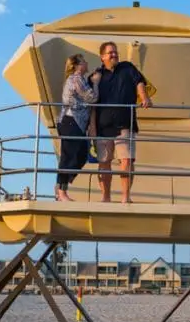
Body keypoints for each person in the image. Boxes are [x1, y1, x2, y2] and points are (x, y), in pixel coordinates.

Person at [88, 41, 151, 203]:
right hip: (103, 126)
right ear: (102, 57)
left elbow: (139, 82)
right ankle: (106, 197)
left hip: (125, 123)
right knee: (104, 162)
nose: (114, 54)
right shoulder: (96, 76)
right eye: (110, 52)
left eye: (115, 52)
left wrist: (144, 97)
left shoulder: (127, 68)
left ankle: (125, 197)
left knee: (127, 160)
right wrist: (92, 128)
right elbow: (92, 104)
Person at [55, 53, 99, 201]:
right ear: (78, 65)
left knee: (81, 155)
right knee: (67, 157)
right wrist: (96, 83)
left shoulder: (79, 79)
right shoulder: (76, 79)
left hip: (77, 124)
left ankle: (62, 183)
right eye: (84, 61)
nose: (87, 63)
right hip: (70, 121)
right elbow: (92, 98)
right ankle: (62, 191)